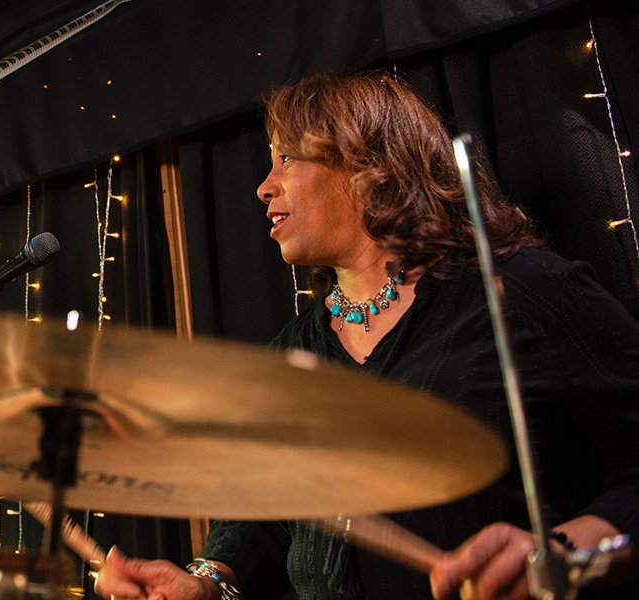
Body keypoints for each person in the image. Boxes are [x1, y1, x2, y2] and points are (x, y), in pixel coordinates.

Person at [95, 73, 639, 599]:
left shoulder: (524, 291)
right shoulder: (294, 350)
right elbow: (265, 523)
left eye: (286, 157)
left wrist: (566, 555)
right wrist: (207, 581)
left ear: (366, 164)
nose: (264, 187)